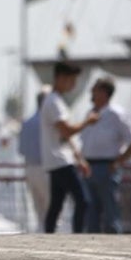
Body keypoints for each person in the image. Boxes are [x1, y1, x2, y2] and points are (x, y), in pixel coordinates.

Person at [40, 61, 100, 234]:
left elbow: (65, 135)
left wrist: (79, 158)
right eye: (71, 80)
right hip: (60, 160)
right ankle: (77, 235)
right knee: (83, 200)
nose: (73, 85)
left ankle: (49, 236)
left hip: (58, 159)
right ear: (61, 78)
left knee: (56, 205)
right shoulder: (53, 102)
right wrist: (87, 122)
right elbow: (67, 130)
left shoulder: (56, 101)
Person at [79, 77, 131, 234]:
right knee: (90, 214)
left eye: (95, 90)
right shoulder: (89, 114)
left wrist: (117, 163)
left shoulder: (116, 115)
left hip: (107, 167)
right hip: (88, 167)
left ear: (104, 93)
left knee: (111, 213)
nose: (91, 93)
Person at [18, 86, 51, 232]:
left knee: (39, 211)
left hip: (30, 169)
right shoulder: (49, 124)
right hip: (47, 169)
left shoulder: (26, 123)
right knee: (53, 208)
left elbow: (22, 150)